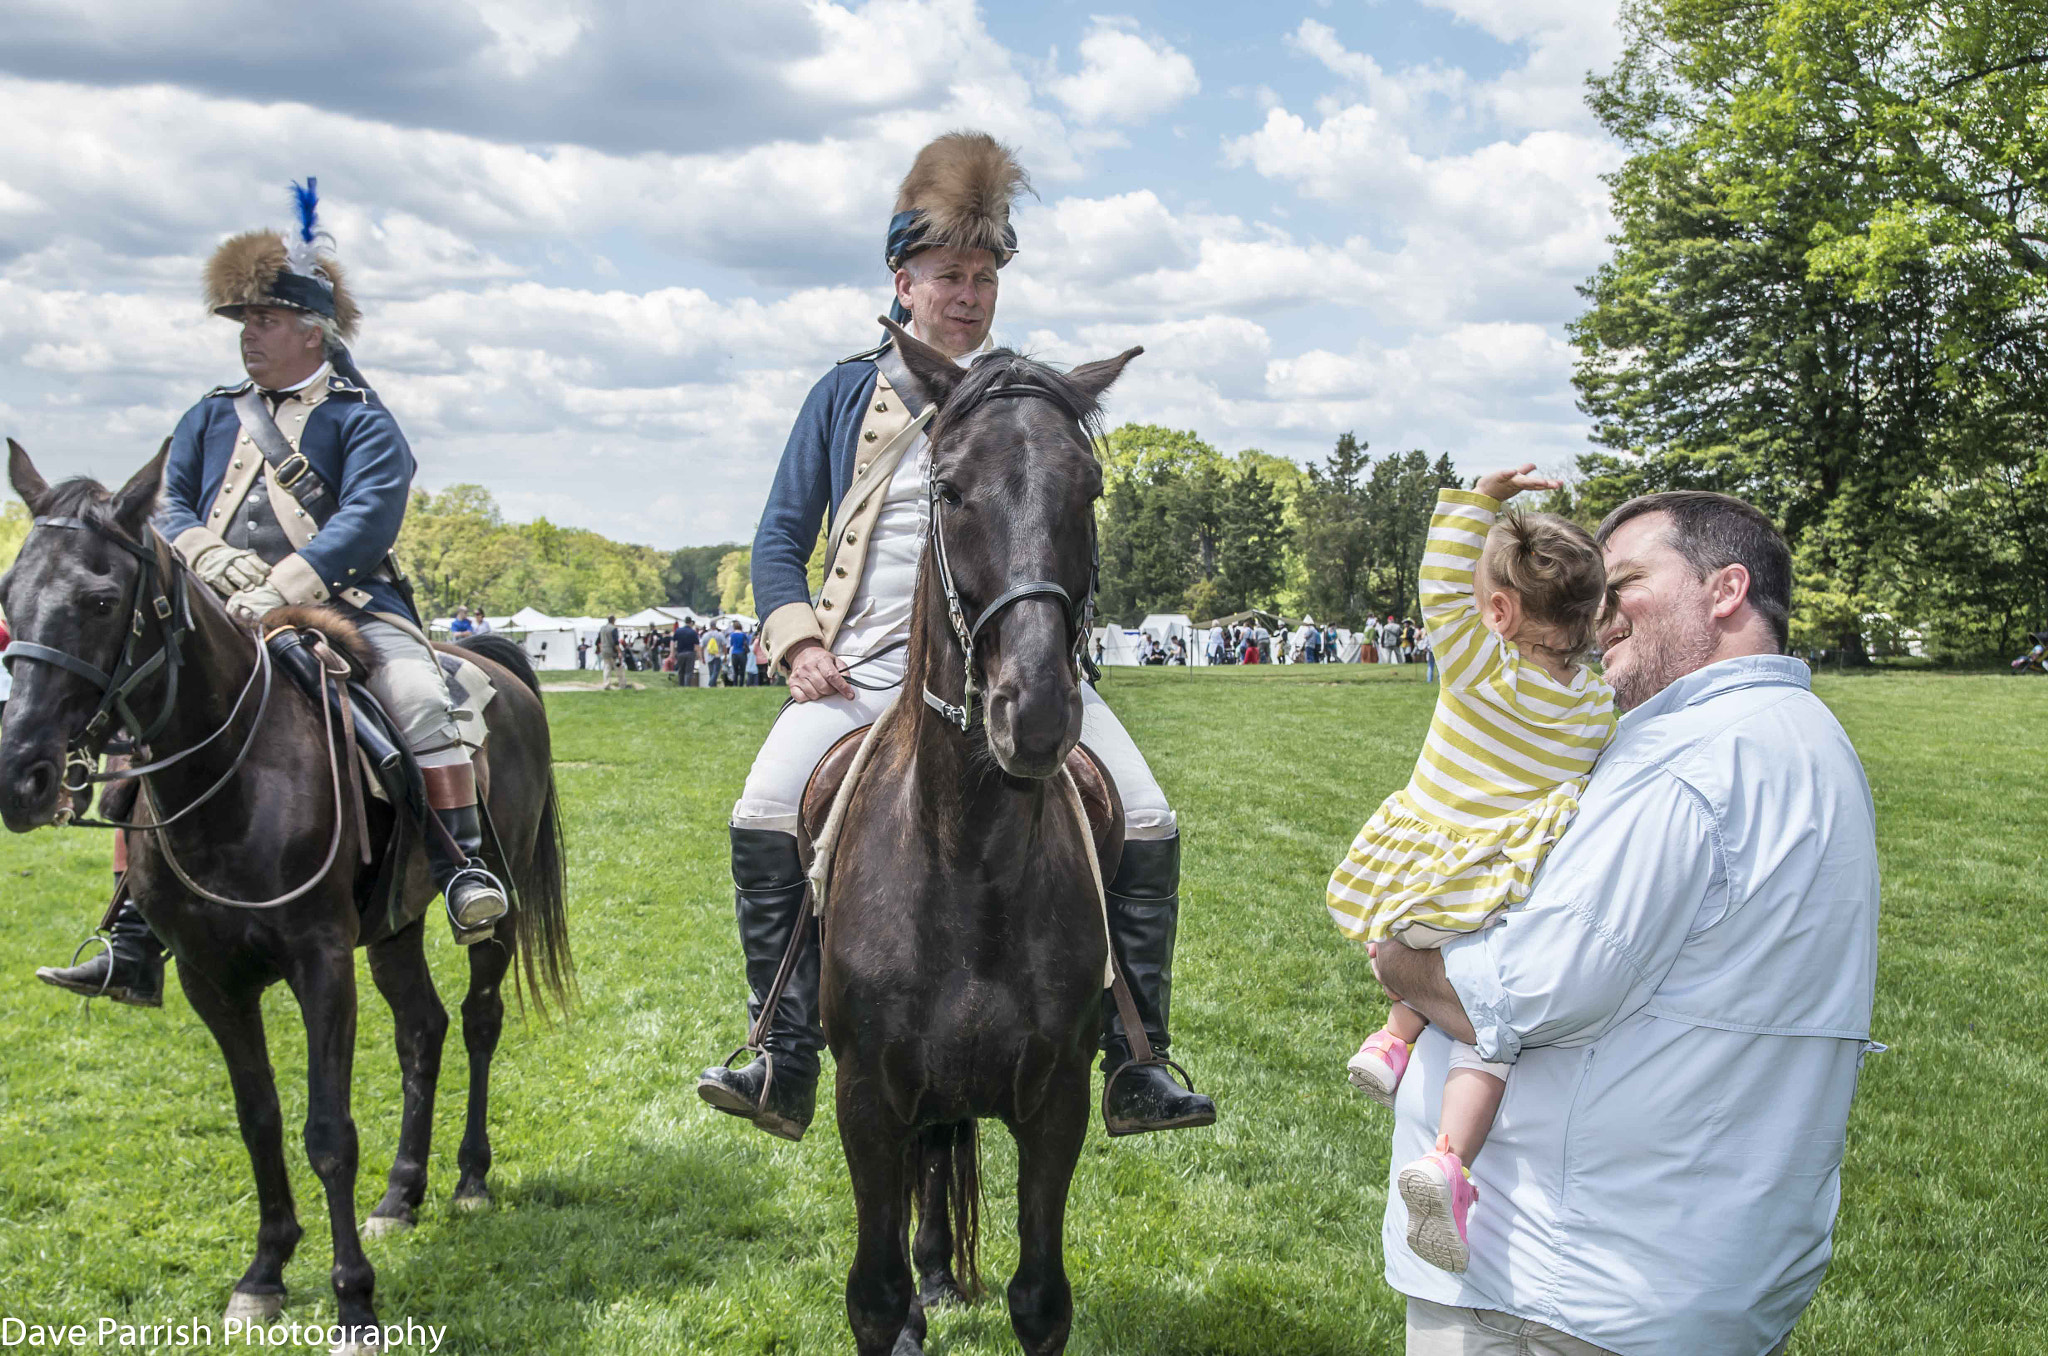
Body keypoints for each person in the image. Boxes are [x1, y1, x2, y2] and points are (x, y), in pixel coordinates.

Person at [697, 131, 1215, 1144]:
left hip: (1013, 667)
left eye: (983, 277)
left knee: (1146, 818)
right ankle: (783, 1050)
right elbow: (776, 538)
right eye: (949, 275)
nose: (970, 295)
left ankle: (1135, 1060)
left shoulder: (1028, 394)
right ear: (903, 280)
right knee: (761, 807)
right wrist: (798, 640)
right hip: (862, 670)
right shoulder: (844, 394)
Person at [1369, 489, 1878, 1355]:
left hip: (1563, 1286)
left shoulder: (1692, 761)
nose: (1599, 610)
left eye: (1629, 580)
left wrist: (1394, 959)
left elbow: (1527, 991)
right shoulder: (1804, 736)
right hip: (1680, 1265)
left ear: (1725, 590)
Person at [36, 182, 510, 1009]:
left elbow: (366, 522)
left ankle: (460, 864)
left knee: (421, 701)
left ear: (311, 330)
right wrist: (213, 565)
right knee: (144, 726)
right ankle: (132, 931)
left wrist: (281, 587)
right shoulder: (210, 415)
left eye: (264, 321)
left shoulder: (363, 421)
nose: (249, 337)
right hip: (216, 610)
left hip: (349, 605)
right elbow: (171, 501)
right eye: (245, 322)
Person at [1328, 467, 1617, 1276]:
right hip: (1492, 888)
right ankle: (1450, 1158)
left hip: (1413, 876)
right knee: (1488, 1031)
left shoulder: (1474, 665)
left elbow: (1437, 584)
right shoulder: (1594, 711)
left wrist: (1477, 499)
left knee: (1426, 956)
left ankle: (1392, 1039)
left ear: (1498, 612)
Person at [597, 614, 624, 689]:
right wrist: (619, 652)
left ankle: (606, 684)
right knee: (618, 668)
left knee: (606, 668)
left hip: (604, 650)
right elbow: (616, 642)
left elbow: (598, 641)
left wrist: (601, 648)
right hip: (612, 651)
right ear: (613, 620)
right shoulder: (613, 629)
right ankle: (622, 685)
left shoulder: (602, 628)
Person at [675, 618, 699, 688]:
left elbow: (673, 642)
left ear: (684, 622)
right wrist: (699, 655)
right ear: (691, 622)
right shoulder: (693, 632)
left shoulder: (678, 631)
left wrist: (672, 653)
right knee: (688, 672)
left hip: (680, 653)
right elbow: (697, 645)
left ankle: (681, 685)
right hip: (690, 653)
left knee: (681, 671)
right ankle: (687, 686)